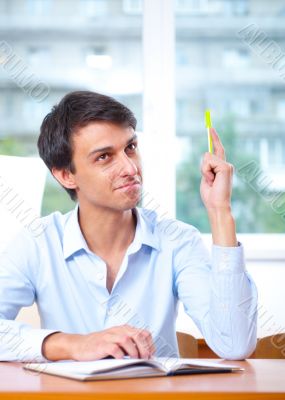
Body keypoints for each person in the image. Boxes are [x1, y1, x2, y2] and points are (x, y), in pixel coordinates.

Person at [0, 91, 257, 362]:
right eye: (104, 157)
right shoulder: (38, 243)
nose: (130, 168)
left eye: (130, 148)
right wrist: (73, 345)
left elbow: (235, 345)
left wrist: (220, 212)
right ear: (66, 175)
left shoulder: (177, 240)